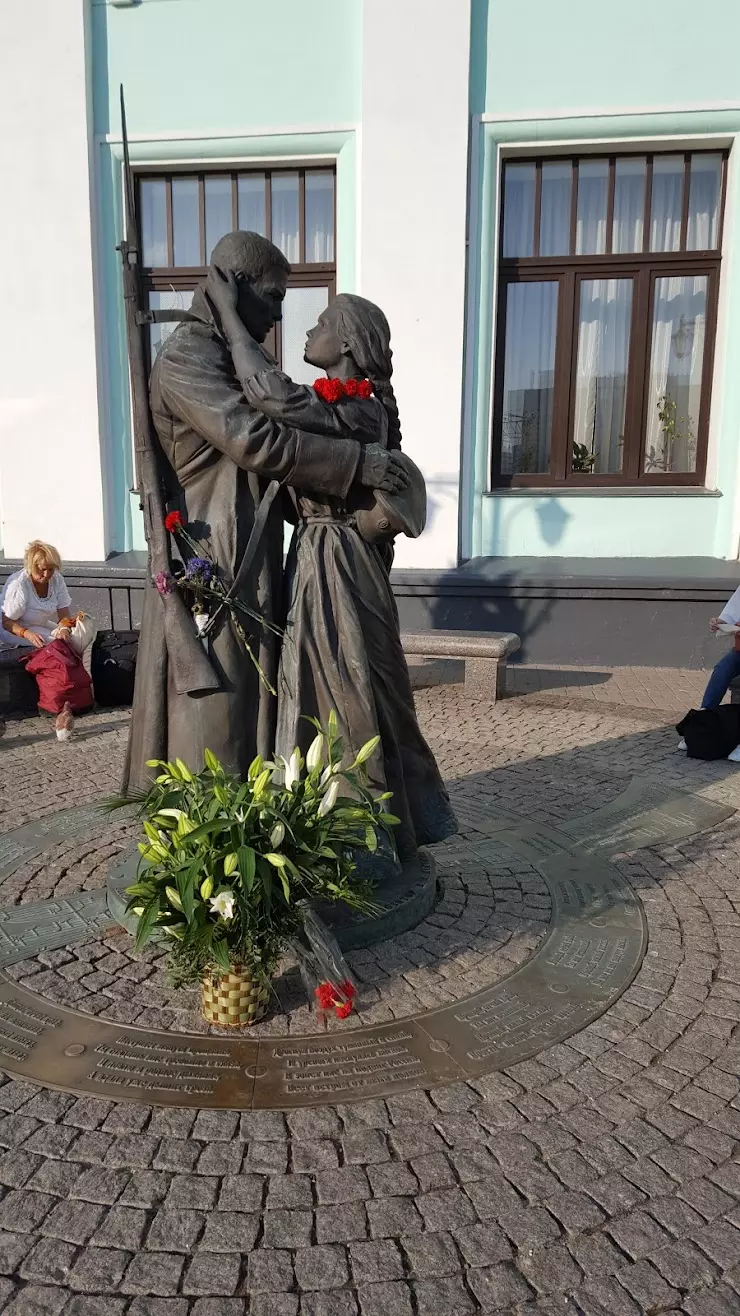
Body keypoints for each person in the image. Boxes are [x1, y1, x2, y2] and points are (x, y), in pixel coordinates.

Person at [122, 232, 409, 793]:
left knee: (264, 693)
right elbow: (256, 439)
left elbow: (279, 412)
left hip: (250, 546)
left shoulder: (228, 351)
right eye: (275, 297)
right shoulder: (189, 356)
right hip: (213, 552)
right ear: (235, 285)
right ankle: (209, 836)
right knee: (220, 698)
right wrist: (357, 465)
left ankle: (260, 820)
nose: (280, 316)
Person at [207, 271, 458, 874]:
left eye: (320, 325)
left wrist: (229, 316)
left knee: (348, 689)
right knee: (327, 687)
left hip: (337, 563)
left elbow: (271, 396)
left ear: (345, 343)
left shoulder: (356, 412)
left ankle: (361, 838)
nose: (308, 331)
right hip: (321, 558)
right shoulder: (345, 410)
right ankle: (332, 817)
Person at [0, 541, 72, 649]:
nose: (47, 574)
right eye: (42, 569)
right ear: (31, 566)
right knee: (57, 643)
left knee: (70, 636)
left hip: (39, 624)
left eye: (51, 569)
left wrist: (64, 629)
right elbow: (6, 622)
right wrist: (27, 634)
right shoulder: (19, 585)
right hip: (13, 629)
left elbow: (63, 611)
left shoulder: (57, 579)